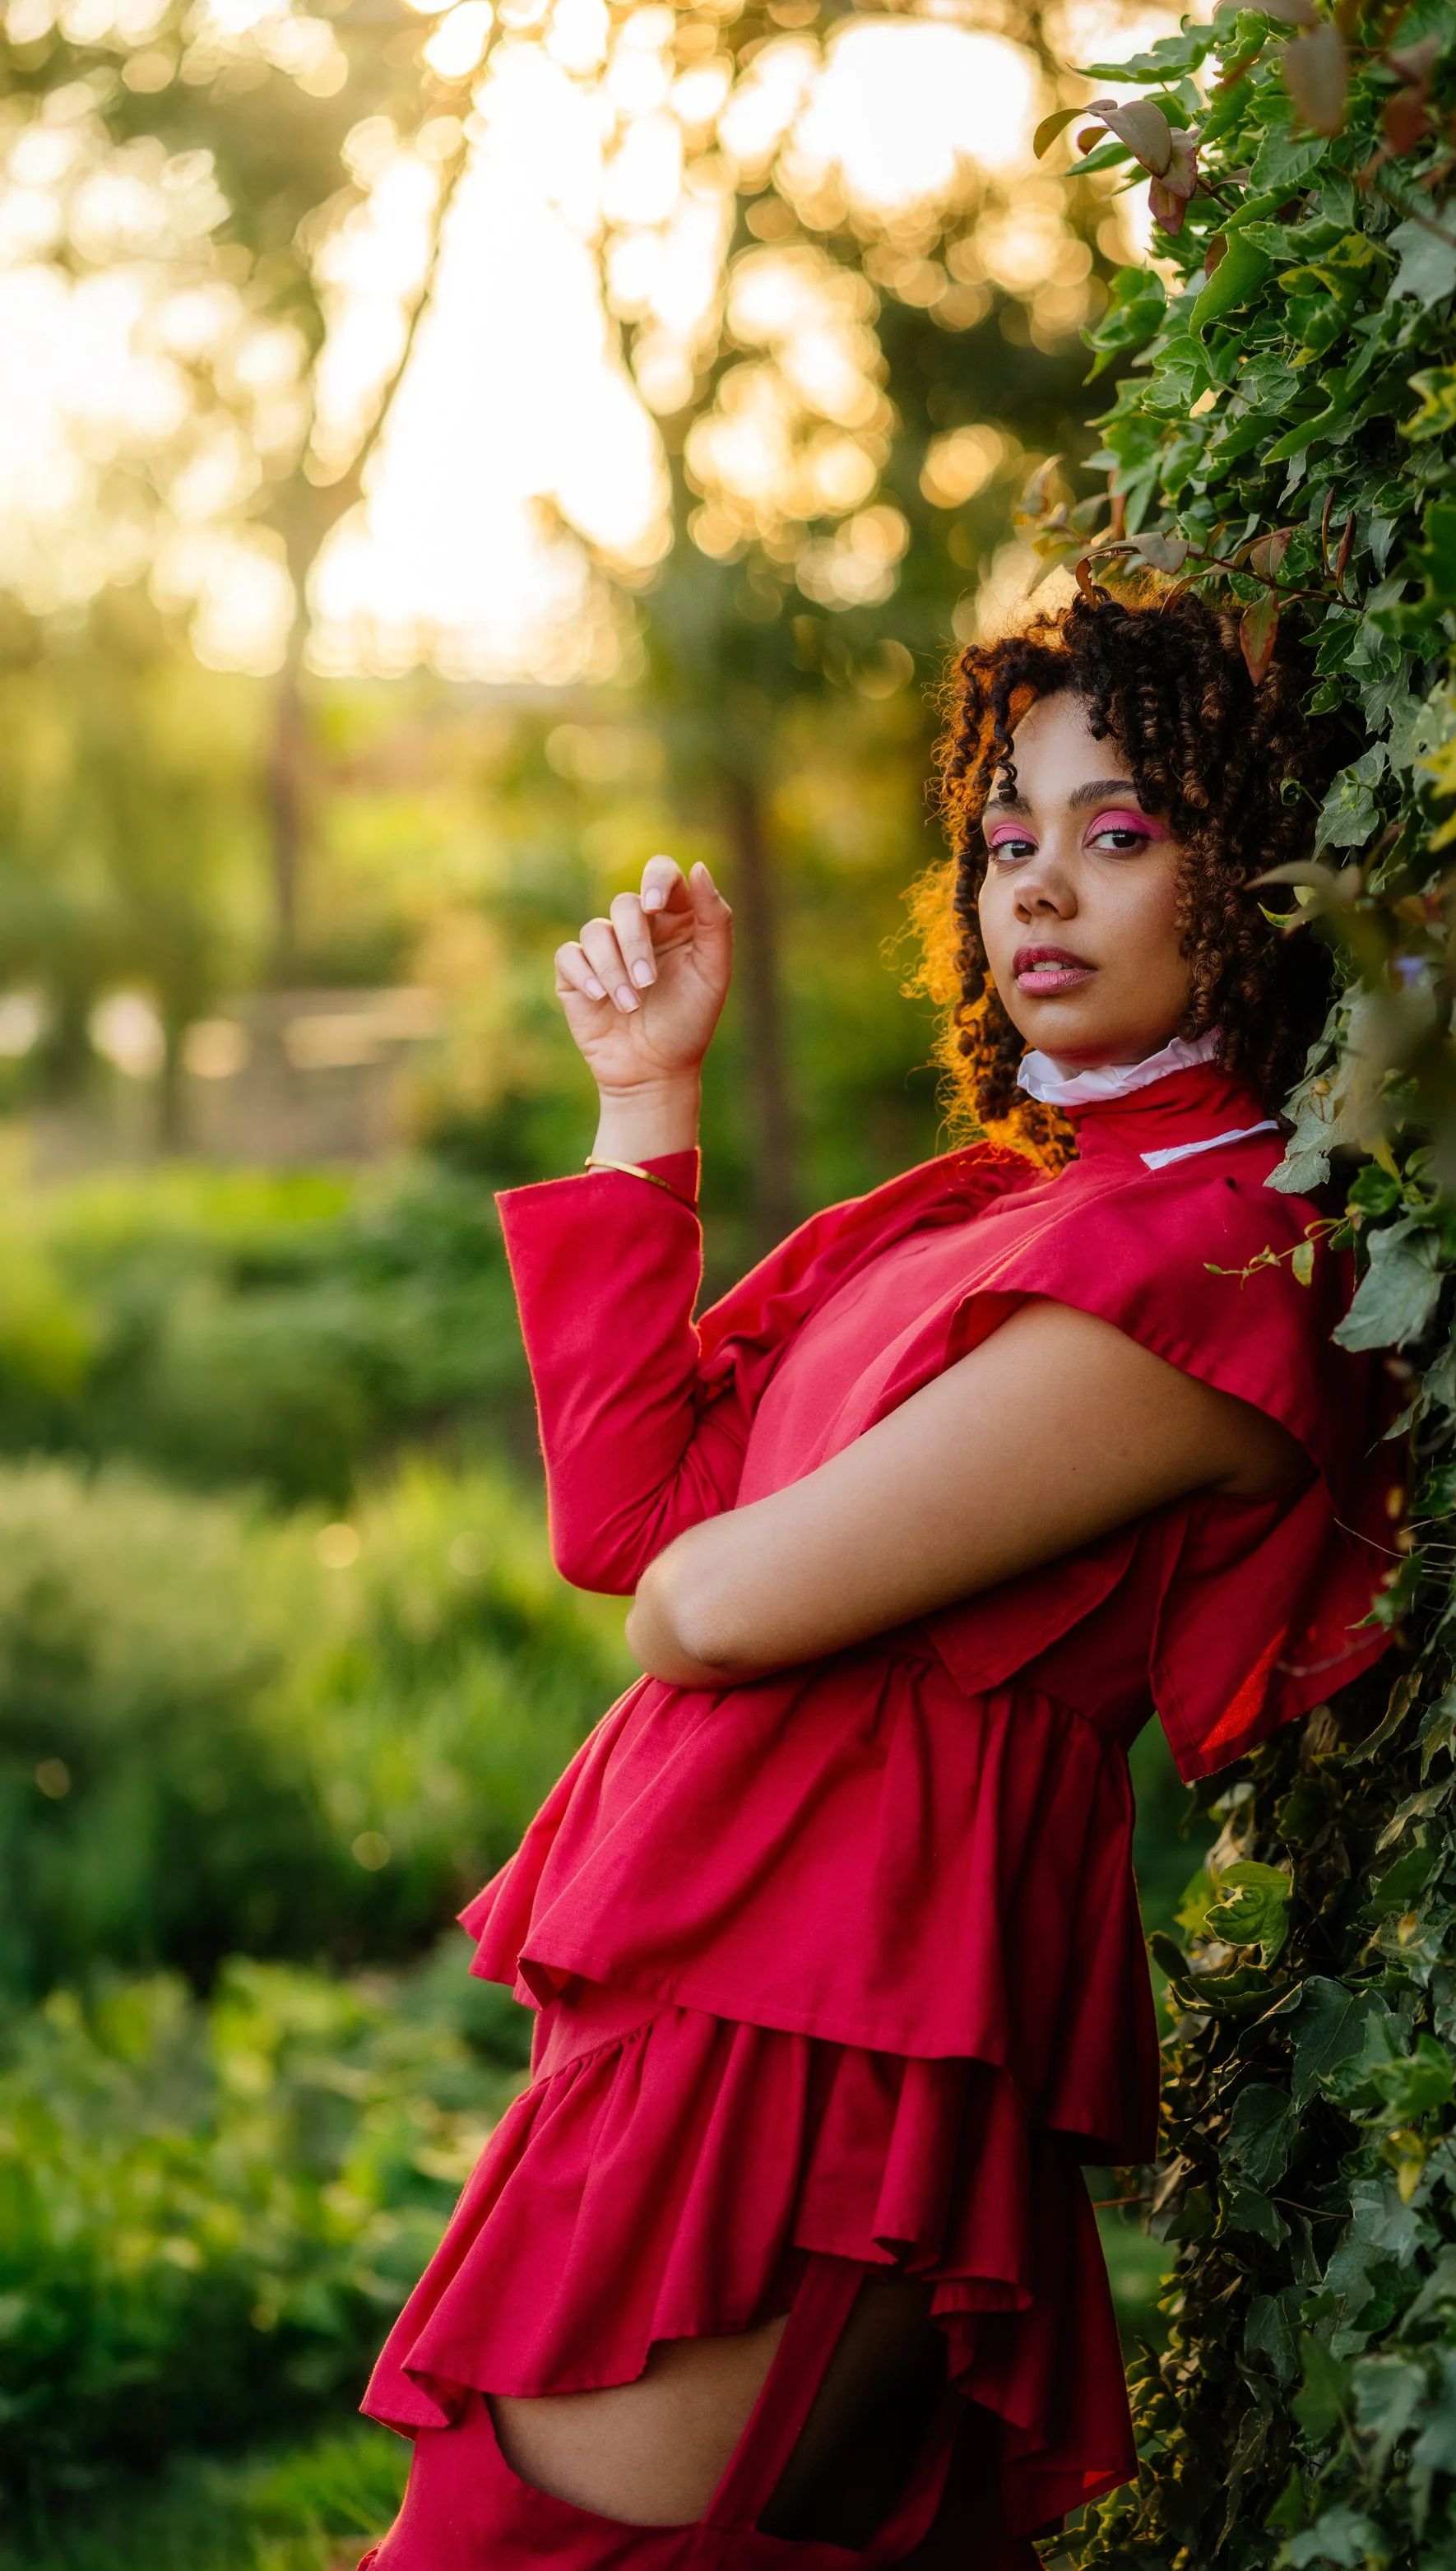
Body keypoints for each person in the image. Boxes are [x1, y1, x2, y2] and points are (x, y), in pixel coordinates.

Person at [358, 586, 1401, 2569]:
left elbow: (711, 1611)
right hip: (731, 1954)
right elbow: (637, 1529)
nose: (1040, 890)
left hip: (846, 2000)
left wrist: (716, 1585)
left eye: (1119, 830)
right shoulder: (1001, 1206)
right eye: (1010, 837)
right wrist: (646, 1095)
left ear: (1252, 864)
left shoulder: (1216, 1254)